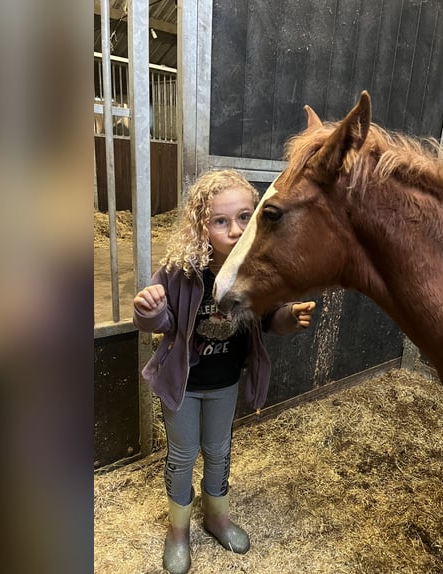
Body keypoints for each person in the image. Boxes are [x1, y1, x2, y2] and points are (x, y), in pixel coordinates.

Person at [133, 170, 316, 574]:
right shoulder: (180, 271)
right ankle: (178, 530)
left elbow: (268, 320)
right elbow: (159, 323)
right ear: (201, 226)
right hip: (183, 385)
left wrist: (289, 316)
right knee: (182, 455)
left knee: (218, 451)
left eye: (244, 217)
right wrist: (149, 309)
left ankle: (216, 516)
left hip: (225, 383)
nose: (234, 230)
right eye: (220, 221)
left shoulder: (256, 271)